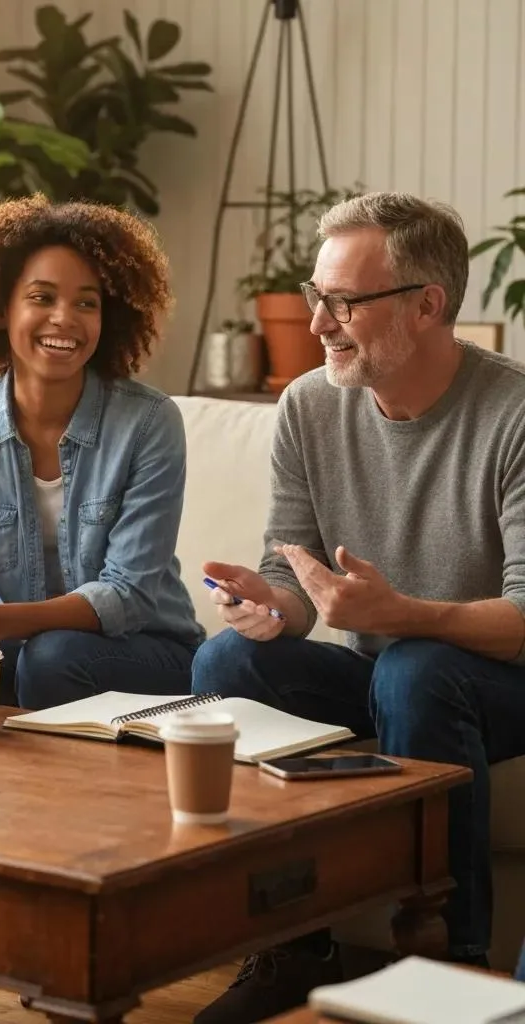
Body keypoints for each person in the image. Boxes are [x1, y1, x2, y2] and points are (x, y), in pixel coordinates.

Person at [190, 193, 525, 1024]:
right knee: (227, 660)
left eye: (343, 302)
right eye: (316, 295)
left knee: (417, 669)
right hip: (389, 671)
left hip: (499, 681)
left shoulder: (514, 412)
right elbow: (292, 574)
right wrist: (271, 605)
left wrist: (404, 613)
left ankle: (449, 964)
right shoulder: (308, 405)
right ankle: (291, 947)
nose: (317, 323)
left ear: (427, 304)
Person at [0, 195, 205, 709]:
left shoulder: (149, 422)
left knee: (53, 657)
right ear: (0, 309)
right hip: (25, 644)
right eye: (42, 297)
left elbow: (126, 595)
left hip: (148, 648)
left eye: (87, 303)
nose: (65, 318)